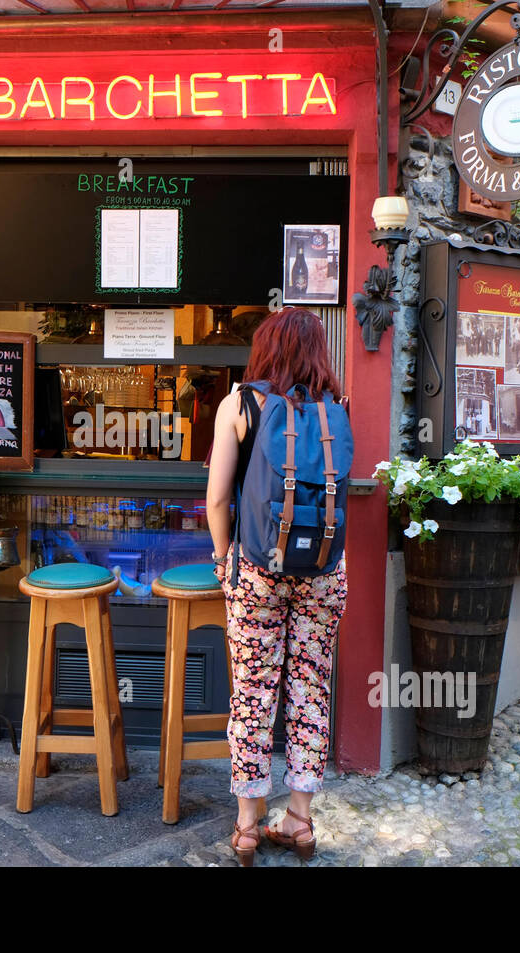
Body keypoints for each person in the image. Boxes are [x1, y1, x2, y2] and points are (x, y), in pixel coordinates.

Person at [205, 307, 349, 865]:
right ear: (319, 353)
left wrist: (224, 560)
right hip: (324, 571)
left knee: (253, 693)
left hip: (258, 569)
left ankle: (247, 824)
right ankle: (301, 820)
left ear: (265, 348)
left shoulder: (240, 403)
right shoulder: (335, 407)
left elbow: (218, 498)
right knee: (311, 690)